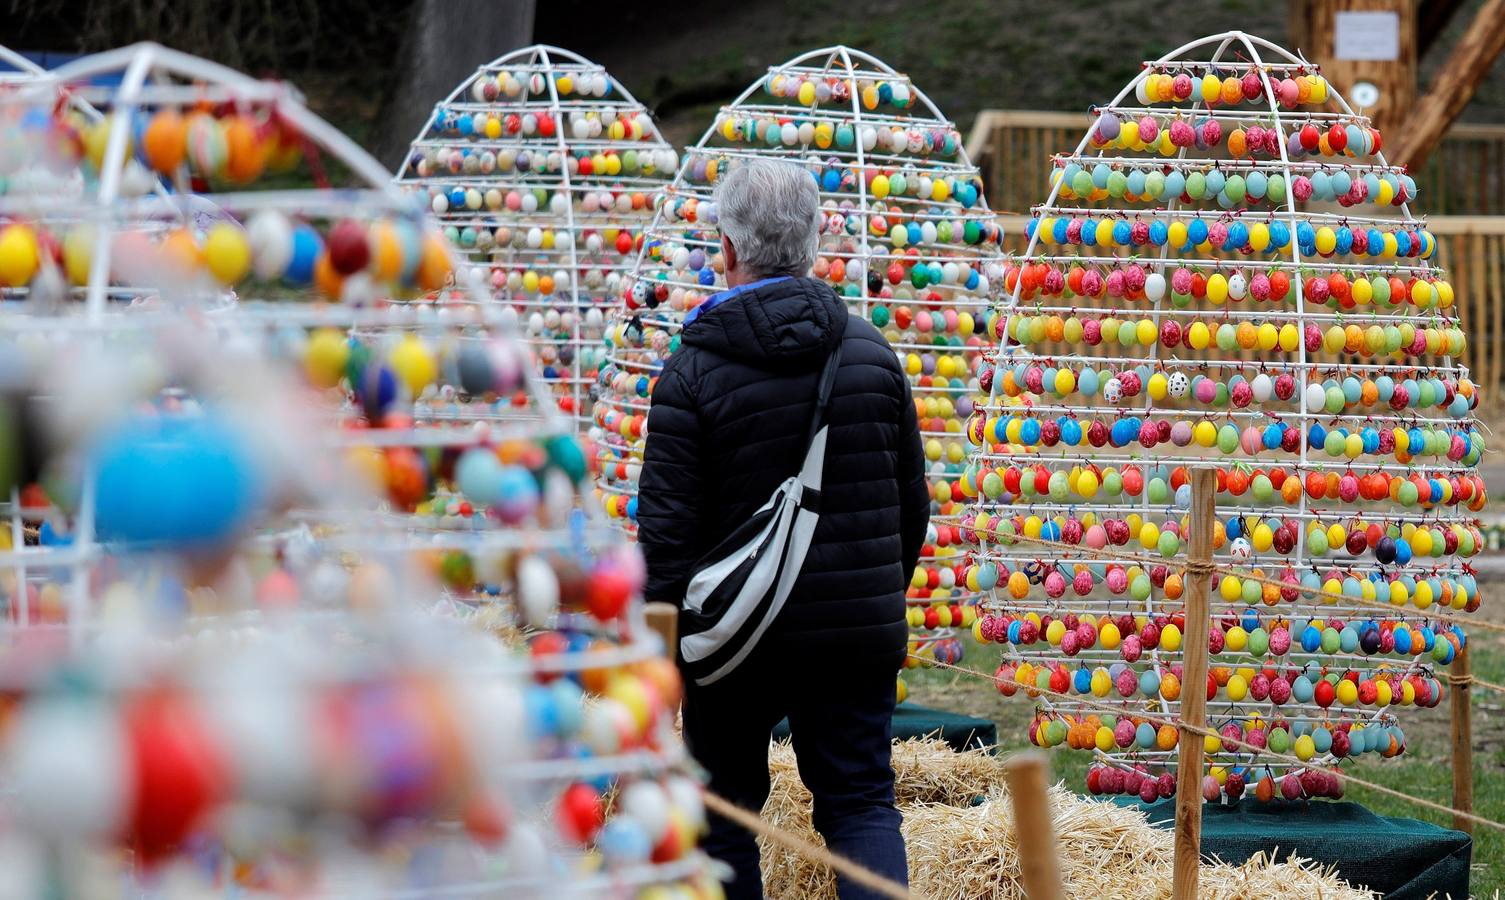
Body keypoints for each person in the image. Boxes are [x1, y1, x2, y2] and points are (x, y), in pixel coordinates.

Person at [636, 157, 929, 899]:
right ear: (813, 242)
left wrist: (672, 655)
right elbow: (909, 505)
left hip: (733, 642)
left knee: (727, 814)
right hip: (855, 631)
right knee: (861, 805)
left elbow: (666, 541)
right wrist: (868, 594)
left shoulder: (690, 374)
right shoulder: (870, 354)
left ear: (726, 249)